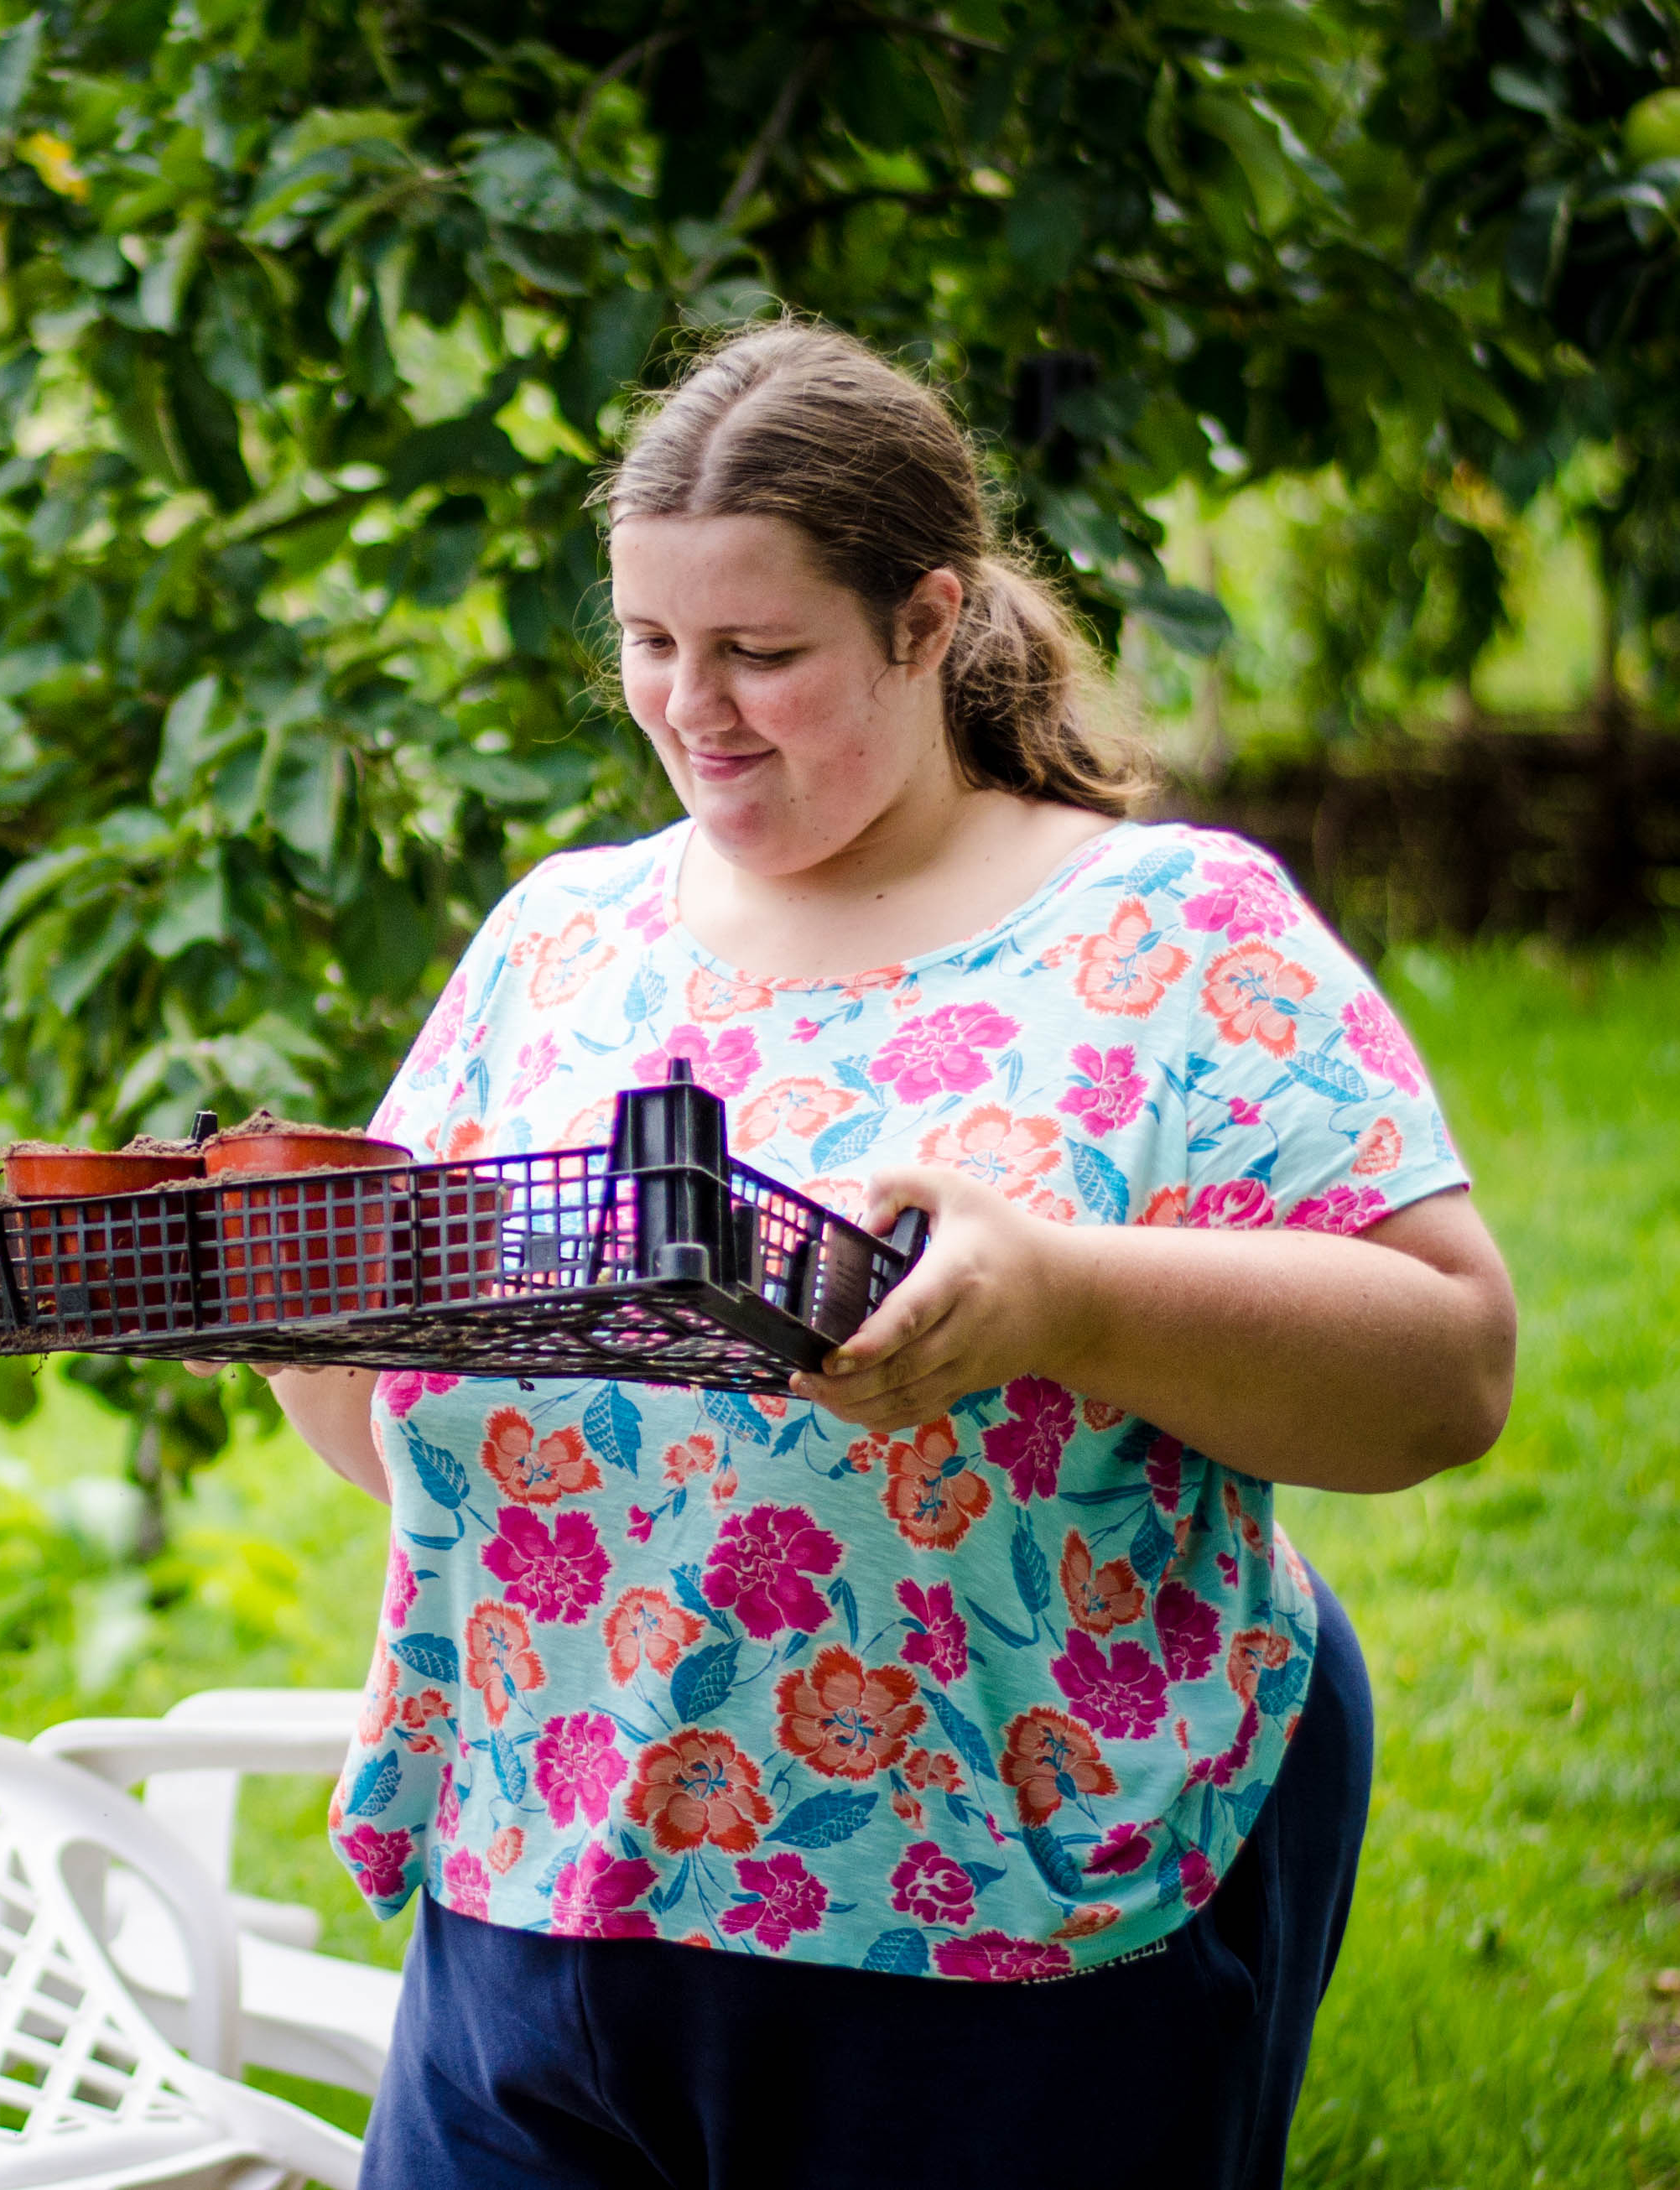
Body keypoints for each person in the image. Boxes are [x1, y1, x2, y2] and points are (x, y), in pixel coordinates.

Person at [257, 325, 1516, 2188]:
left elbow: (1449, 1369)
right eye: (650, 641)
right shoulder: (560, 941)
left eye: (761, 651)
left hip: (995, 1936)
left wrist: (1070, 1298)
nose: (693, 705)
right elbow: (446, 1461)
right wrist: (299, 1317)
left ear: (926, 622)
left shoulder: (1168, 934)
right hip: (543, 1895)